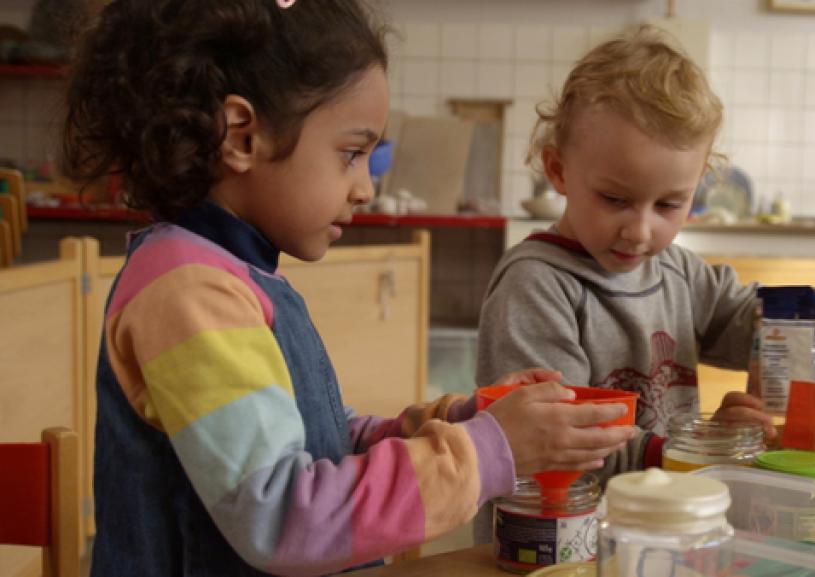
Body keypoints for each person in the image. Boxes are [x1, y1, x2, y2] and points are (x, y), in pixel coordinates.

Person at [62, 1, 634, 575]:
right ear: (242, 137)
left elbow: (322, 443)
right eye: (352, 152)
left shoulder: (236, 274)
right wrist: (488, 450)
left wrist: (464, 419)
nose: (365, 187)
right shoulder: (187, 291)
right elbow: (283, 517)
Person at [476, 27, 815, 476]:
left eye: (668, 204)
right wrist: (696, 448)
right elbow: (555, 440)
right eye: (615, 199)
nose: (640, 231)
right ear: (558, 170)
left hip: (660, 524)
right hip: (554, 538)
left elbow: (757, 334)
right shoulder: (536, 285)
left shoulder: (680, 272)